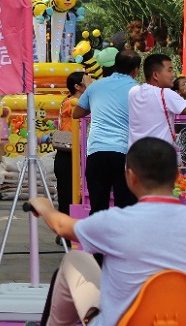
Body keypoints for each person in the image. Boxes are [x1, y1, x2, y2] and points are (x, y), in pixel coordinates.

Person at [24, 137, 186, 326]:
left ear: (131, 177)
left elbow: (61, 226)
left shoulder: (115, 222)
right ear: (176, 176)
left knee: (75, 260)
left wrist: (45, 207)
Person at [73, 49, 140, 214]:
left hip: (97, 151)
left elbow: (77, 113)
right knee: (126, 206)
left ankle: (97, 231)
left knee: (98, 206)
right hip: (124, 152)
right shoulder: (138, 90)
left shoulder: (96, 86)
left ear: (115, 64)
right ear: (136, 70)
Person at [128, 53, 186, 148]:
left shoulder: (133, 92)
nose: (173, 75)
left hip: (135, 152)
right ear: (155, 75)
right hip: (159, 153)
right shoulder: (165, 94)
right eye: (169, 70)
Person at [53, 72, 90, 217]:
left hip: (76, 151)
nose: (90, 84)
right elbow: (91, 106)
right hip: (68, 152)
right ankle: (65, 224)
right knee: (67, 193)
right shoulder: (72, 102)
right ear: (77, 87)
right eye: (86, 82)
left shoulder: (74, 100)